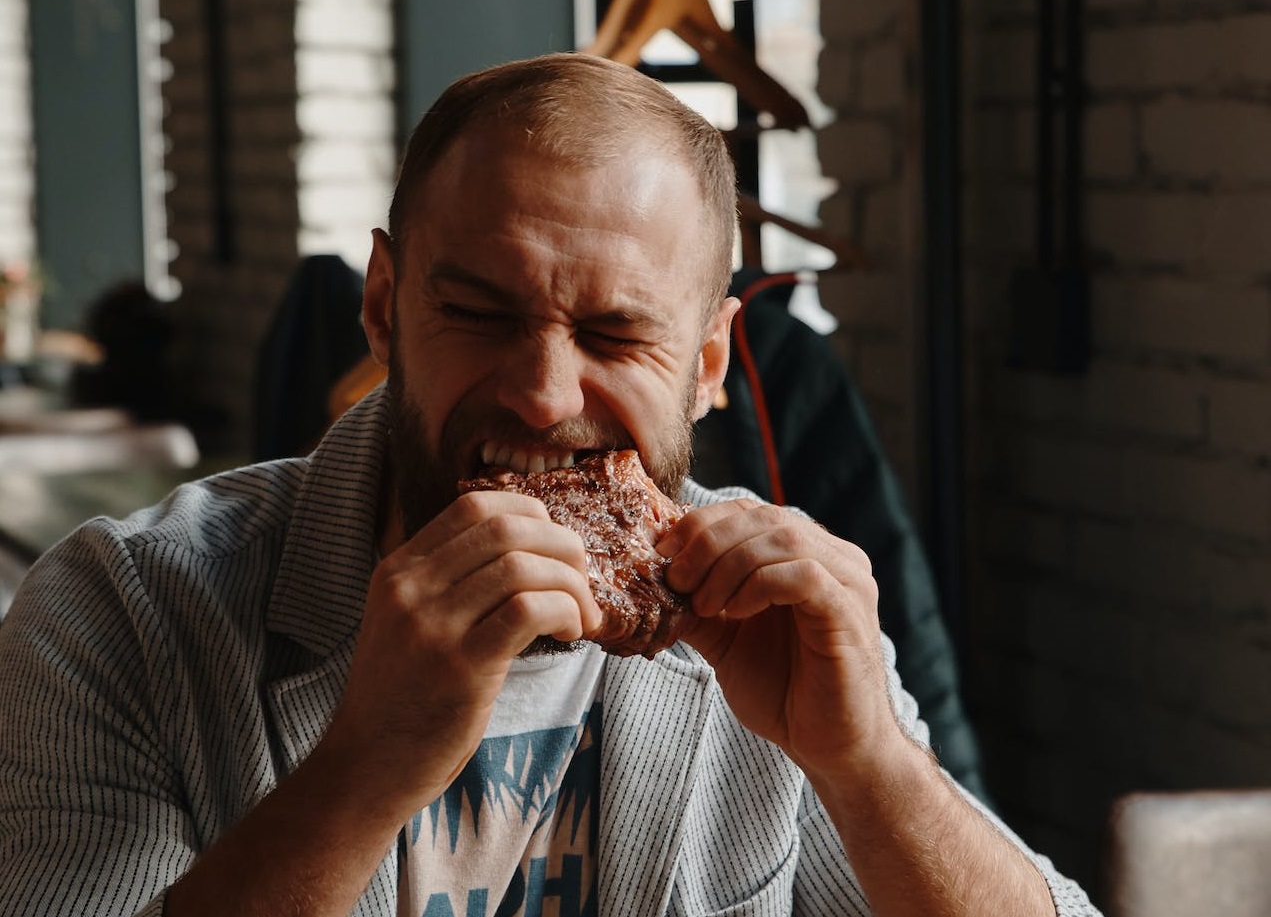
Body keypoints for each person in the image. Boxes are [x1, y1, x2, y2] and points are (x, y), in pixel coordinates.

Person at [0, 53, 1100, 917]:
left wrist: (870, 771)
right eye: (479, 313)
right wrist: (365, 770)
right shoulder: (118, 615)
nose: (539, 394)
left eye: (616, 333)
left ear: (708, 363)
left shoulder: (777, 618)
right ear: (383, 307)